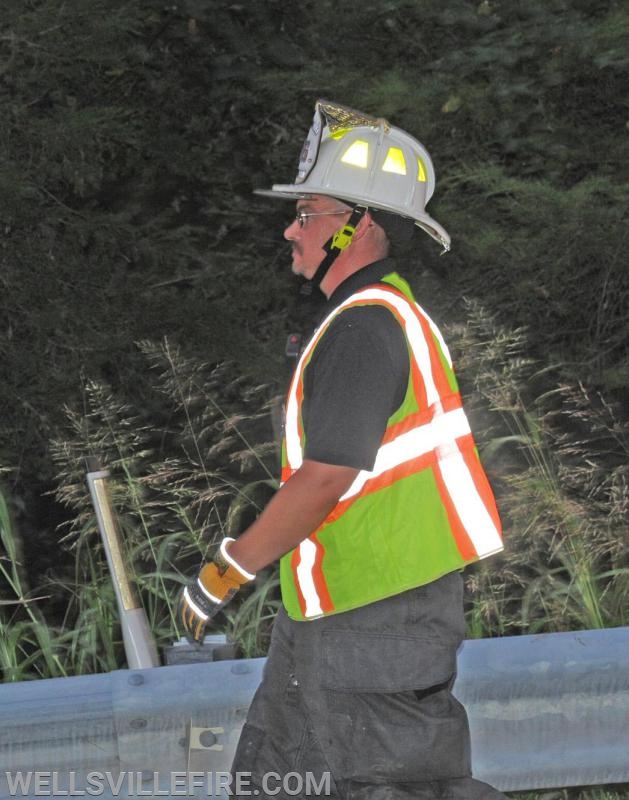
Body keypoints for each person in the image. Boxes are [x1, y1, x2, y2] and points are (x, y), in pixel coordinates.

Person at [179, 100, 508, 800]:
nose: (289, 229)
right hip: (341, 615)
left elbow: (325, 477)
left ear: (357, 226)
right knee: (274, 783)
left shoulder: (364, 330)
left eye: (308, 213)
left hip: (373, 615)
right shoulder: (374, 316)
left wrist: (226, 573)